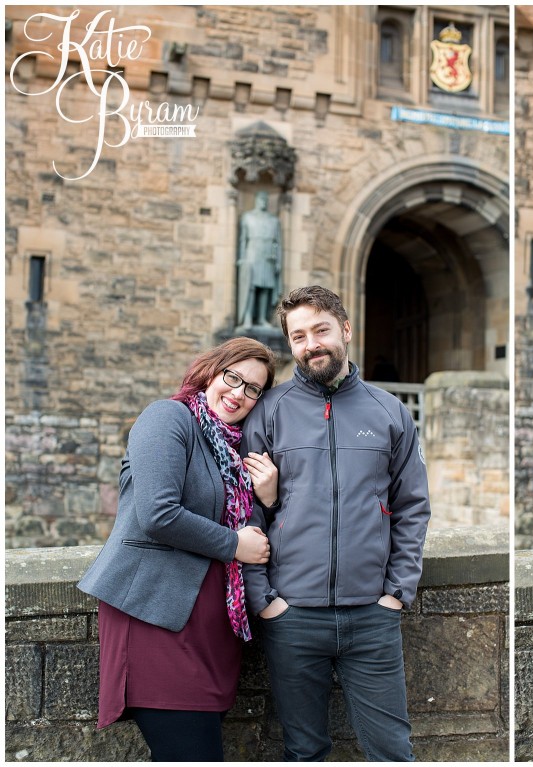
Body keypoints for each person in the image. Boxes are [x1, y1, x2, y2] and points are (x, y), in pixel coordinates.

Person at [242, 285, 431, 761]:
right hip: (292, 616)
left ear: (345, 329)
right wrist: (265, 601)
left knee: (392, 752)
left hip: (372, 615)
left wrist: (396, 592)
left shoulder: (389, 411)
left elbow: (411, 506)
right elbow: (244, 512)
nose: (312, 344)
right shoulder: (269, 411)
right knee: (305, 752)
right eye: (299, 335)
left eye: (320, 330)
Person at [77, 337, 280, 761]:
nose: (239, 393)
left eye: (253, 388)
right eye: (233, 377)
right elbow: (157, 514)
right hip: (155, 619)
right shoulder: (168, 418)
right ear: (210, 371)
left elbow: (255, 528)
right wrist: (232, 546)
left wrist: (269, 497)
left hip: (209, 633)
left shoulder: (232, 448)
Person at [236, 190, 283, 328]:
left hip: (268, 256)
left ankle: (262, 318)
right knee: (250, 287)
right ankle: (248, 317)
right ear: (256, 200)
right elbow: (242, 240)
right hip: (252, 254)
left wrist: (278, 261)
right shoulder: (248, 217)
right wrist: (241, 258)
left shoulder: (273, 220)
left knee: (265, 287)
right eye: (261, 198)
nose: (263, 201)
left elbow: (278, 243)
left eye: (265, 199)